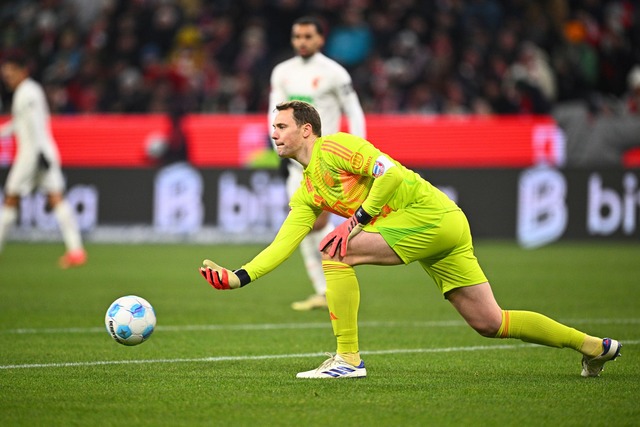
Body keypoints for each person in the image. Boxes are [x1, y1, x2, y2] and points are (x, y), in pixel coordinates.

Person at [200, 100, 622, 379]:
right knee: (491, 323)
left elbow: (392, 172)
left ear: (307, 130)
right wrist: (239, 277)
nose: (273, 133)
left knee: (335, 249)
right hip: (440, 229)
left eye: (281, 126)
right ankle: (594, 346)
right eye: (272, 127)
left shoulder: (338, 147)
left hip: (430, 217)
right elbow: (283, 243)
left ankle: (347, 359)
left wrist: (358, 219)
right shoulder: (308, 190)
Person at [268, 16, 366, 311]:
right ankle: (325, 290)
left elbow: (355, 111)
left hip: (328, 159)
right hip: (296, 163)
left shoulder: (334, 73)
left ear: (321, 39)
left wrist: (357, 153)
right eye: (298, 36)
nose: (302, 42)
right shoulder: (282, 72)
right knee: (304, 227)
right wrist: (277, 146)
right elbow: (274, 113)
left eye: (308, 36)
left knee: (317, 222)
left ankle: (335, 280)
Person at [0, 52, 86, 268]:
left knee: (11, 198)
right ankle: (76, 251)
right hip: (42, 152)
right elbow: (20, 124)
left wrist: (39, 155)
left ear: (22, 71)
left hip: (33, 154)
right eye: (5, 74)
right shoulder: (28, 91)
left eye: (11, 73)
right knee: (56, 198)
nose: (7, 77)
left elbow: (37, 125)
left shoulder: (27, 92)